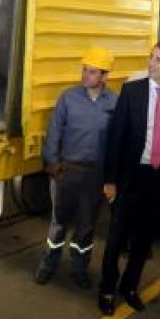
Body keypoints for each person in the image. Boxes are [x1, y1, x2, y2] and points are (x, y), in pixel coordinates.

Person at [98, 41, 160, 316]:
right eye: (152, 57)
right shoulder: (132, 91)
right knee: (116, 238)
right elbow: (116, 138)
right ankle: (106, 289)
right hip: (130, 178)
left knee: (143, 241)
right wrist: (110, 180)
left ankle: (129, 287)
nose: (152, 63)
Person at [35, 47, 117, 289]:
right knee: (58, 223)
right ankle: (48, 265)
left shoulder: (115, 102)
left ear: (104, 76)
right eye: (84, 70)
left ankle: (79, 268)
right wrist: (52, 162)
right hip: (66, 171)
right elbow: (54, 131)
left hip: (94, 175)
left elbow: (117, 142)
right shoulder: (68, 98)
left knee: (86, 226)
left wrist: (112, 177)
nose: (85, 75)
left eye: (92, 72)